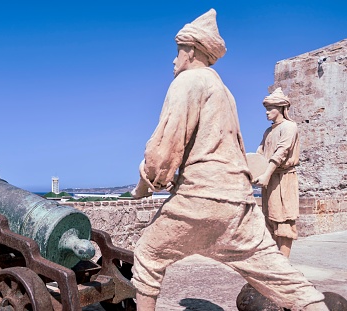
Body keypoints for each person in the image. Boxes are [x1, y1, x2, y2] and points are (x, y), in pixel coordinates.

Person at [130, 8, 328, 311]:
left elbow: (164, 149)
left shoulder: (188, 81)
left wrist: (148, 181)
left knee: (148, 255)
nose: (174, 59)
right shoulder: (224, 91)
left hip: (200, 197)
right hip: (238, 201)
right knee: (281, 277)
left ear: (192, 50)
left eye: (178, 51)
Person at [253, 88, 300, 258]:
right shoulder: (268, 131)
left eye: (270, 108)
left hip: (284, 179)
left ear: (280, 108)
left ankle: (284, 266)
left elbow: (281, 151)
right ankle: (274, 264)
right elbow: (259, 154)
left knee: (284, 221)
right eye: (266, 108)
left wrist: (266, 174)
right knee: (270, 221)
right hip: (270, 181)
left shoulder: (289, 126)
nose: (266, 112)